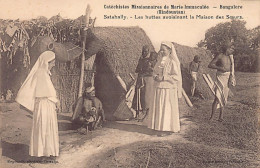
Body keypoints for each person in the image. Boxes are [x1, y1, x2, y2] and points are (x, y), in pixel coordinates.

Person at [16, 49, 60, 159]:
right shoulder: (41, 73)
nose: (54, 63)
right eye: (53, 61)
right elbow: (46, 93)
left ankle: (47, 152)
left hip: (47, 104)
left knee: (46, 128)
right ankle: (43, 153)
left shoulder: (45, 73)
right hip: (44, 105)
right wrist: (56, 101)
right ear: (47, 62)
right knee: (44, 127)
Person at [147, 41, 182, 136]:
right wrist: (155, 76)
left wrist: (163, 78)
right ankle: (158, 127)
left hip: (168, 88)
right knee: (159, 107)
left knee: (166, 108)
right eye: (161, 50)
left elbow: (176, 77)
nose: (161, 52)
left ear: (170, 50)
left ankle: (166, 129)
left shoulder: (172, 62)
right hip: (158, 87)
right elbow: (154, 72)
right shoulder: (159, 61)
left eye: (164, 50)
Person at [208, 45, 236, 122]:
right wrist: (220, 68)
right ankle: (212, 117)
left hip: (227, 78)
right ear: (227, 48)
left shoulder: (231, 57)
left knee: (224, 97)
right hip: (220, 77)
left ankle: (221, 117)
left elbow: (231, 68)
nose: (233, 50)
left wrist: (231, 76)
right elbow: (210, 65)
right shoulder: (220, 55)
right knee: (217, 97)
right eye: (231, 48)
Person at [133, 45, 157, 120]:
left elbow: (153, 71)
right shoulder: (141, 59)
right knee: (140, 96)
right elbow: (136, 69)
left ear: (148, 51)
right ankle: (141, 112)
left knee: (147, 96)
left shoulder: (152, 60)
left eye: (145, 51)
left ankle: (147, 113)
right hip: (141, 79)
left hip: (148, 80)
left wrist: (147, 69)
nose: (144, 53)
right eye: (143, 51)